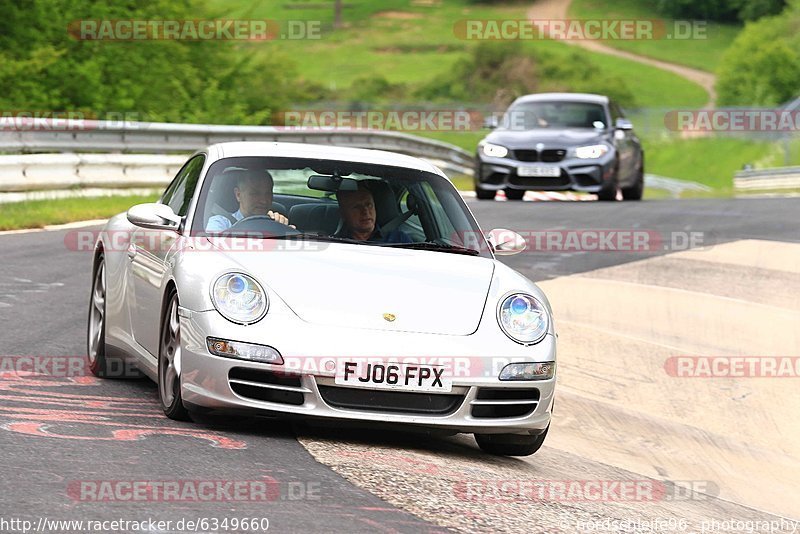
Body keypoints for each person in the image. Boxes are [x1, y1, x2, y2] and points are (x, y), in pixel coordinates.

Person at [205, 169, 290, 232]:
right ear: (238, 195)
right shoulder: (220, 223)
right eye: (255, 194)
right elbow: (212, 250)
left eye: (268, 193)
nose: (264, 201)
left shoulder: (276, 224)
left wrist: (282, 229)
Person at [336, 183, 412, 243]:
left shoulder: (399, 240)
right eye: (357, 207)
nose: (365, 211)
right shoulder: (335, 243)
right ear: (343, 213)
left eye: (369, 205)